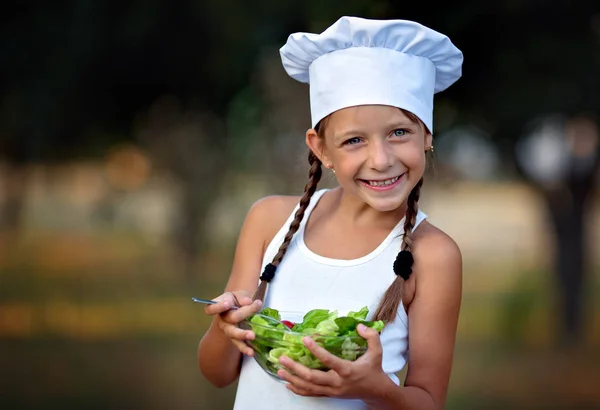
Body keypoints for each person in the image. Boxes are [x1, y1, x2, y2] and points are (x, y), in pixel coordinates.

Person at [198, 16, 463, 410]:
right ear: (321, 149)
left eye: (399, 133)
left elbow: (428, 401)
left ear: (427, 135)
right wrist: (225, 329)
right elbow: (217, 373)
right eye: (354, 140)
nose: (381, 159)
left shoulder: (434, 256)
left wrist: (372, 388)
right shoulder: (269, 221)